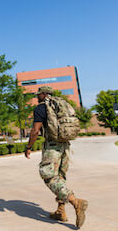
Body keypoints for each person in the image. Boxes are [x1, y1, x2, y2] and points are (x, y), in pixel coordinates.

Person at [24, 86, 88, 229]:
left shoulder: (41, 108)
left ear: (45, 94)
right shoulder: (62, 104)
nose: (37, 97)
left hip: (52, 146)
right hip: (65, 145)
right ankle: (60, 211)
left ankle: (75, 202)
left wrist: (28, 147)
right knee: (60, 177)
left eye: (38, 95)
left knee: (47, 174)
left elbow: (35, 131)